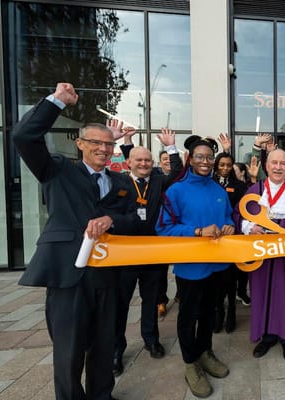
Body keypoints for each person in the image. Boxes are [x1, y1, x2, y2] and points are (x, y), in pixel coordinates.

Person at [12, 83, 140, 400]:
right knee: (68, 350)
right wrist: (56, 102)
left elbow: (136, 222)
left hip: (109, 277)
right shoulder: (56, 171)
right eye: (95, 142)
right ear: (80, 143)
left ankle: (101, 395)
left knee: (104, 344)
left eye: (109, 144)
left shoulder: (123, 182)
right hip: (69, 277)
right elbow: (23, 137)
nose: (103, 149)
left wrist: (113, 220)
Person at [156, 136, 233, 398]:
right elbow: (163, 229)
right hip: (189, 268)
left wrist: (229, 226)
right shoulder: (176, 190)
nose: (205, 161)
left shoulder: (219, 190)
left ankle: (205, 351)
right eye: (199, 156)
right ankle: (190, 363)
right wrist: (197, 231)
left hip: (217, 266)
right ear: (190, 159)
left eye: (209, 157)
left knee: (210, 313)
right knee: (188, 317)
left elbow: (227, 218)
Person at [111, 125, 183, 376]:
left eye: (148, 160)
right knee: (120, 303)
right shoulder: (117, 180)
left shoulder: (158, 181)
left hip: (153, 252)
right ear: (128, 162)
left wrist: (171, 147)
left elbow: (177, 172)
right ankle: (116, 349)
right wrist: (122, 141)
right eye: (138, 160)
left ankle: (151, 339)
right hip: (125, 253)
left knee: (151, 299)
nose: (143, 164)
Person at [237, 147, 285, 363]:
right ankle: (268, 336)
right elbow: (239, 216)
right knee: (263, 295)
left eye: (283, 163)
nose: (278, 167)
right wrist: (249, 228)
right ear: (267, 166)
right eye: (274, 163)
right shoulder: (254, 189)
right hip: (262, 255)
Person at [212, 150, 248, 333]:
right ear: (216, 165)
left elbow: (244, 210)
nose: (225, 168)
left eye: (228, 165)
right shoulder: (208, 184)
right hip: (212, 239)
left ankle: (232, 311)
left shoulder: (239, 186)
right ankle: (218, 311)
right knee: (216, 280)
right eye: (221, 164)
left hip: (233, 239)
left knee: (230, 279)